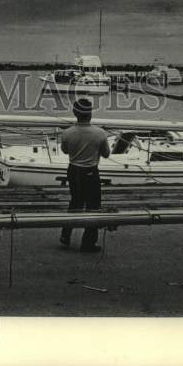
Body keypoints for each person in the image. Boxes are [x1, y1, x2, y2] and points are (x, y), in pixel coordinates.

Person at [58, 98, 110, 253]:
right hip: (91, 171)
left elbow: (65, 151)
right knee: (93, 206)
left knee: (75, 202)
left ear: (75, 113)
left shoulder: (67, 133)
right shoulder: (100, 133)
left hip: (73, 170)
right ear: (91, 114)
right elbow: (106, 154)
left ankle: (65, 235)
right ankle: (88, 243)